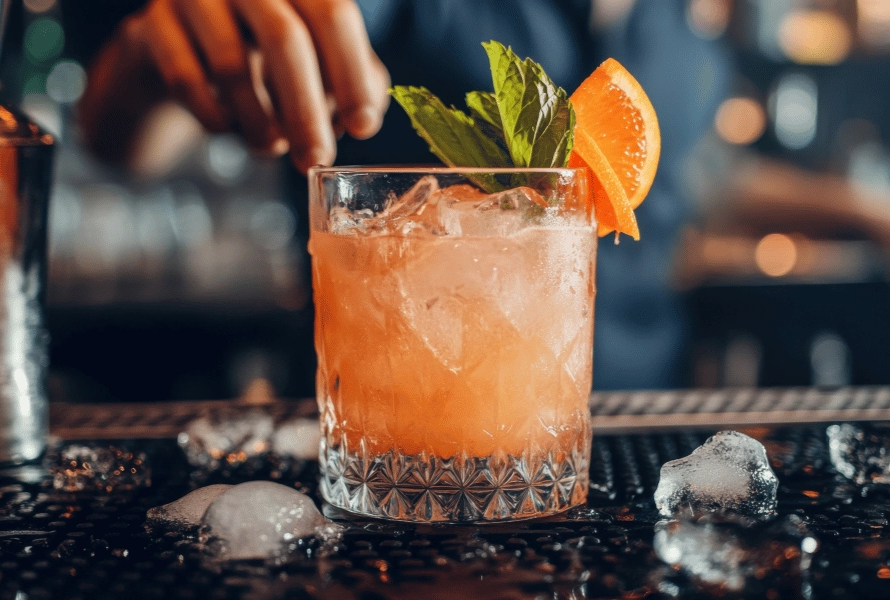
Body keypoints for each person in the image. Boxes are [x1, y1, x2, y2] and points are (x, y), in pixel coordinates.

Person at [72, 0, 730, 389]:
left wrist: (835, 204)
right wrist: (153, 56)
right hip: (401, 447)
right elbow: (120, 140)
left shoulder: (683, 15)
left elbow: (690, 176)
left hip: (633, 424)